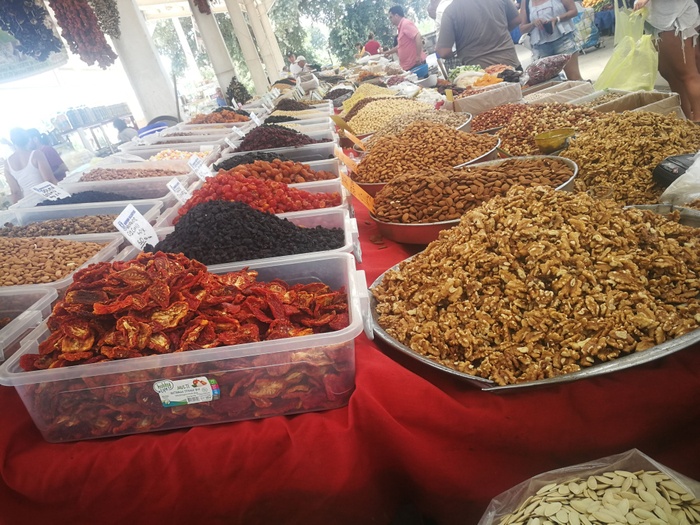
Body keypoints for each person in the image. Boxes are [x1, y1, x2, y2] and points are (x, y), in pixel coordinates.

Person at [634, 0, 700, 120]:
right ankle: (685, 119)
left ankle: (697, 119)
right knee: (669, 73)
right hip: (656, 18)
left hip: (674, 17)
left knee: (688, 74)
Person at [436, 0, 522, 69]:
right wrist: (500, 30)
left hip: (480, 75)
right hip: (510, 64)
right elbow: (517, 20)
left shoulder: (451, 11)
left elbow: (444, 52)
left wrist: (458, 54)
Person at [519, 0, 583, 80]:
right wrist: (533, 23)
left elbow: (573, 11)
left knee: (574, 78)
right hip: (541, 48)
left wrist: (557, 19)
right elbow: (522, 28)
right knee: (550, 82)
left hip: (563, 40)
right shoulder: (526, 1)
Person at [3, 128, 58, 203]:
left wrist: (17, 208)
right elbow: (49, 180)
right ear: (28, 139)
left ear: (13, 141)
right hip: (46, 199)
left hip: (29, 203)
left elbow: (15, 192)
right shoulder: (36, 154)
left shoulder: (7, 163)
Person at [383, 6, 428, 77]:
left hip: (416, 64)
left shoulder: (405, 23)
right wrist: (388, 52)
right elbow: (400, 46)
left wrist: (418, 56)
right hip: (409, 66)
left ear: (396, 16)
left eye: (391, 17)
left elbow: (418, 36)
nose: (390, 19)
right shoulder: (401, 27)